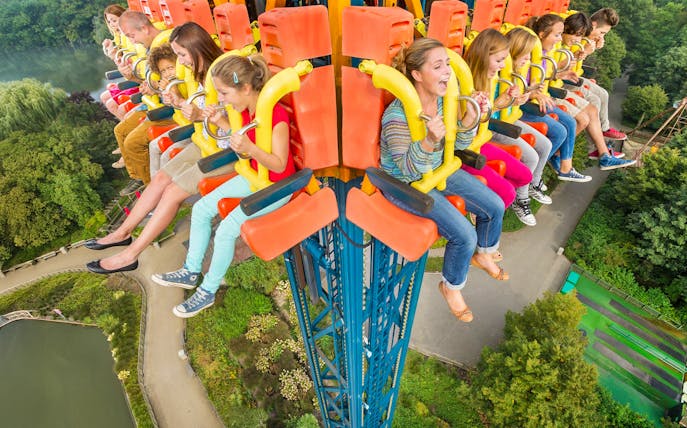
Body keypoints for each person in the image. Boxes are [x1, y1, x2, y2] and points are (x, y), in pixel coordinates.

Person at [152, 54, 296, 317]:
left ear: (246, 88)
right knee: (202, 209)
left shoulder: (276, 116)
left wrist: (250, 148)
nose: (220, 99)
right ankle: (191, 270)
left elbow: (278, 164)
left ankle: (207, 291)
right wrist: (221, 123)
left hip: (276, 186)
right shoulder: (246, 112)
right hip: (254, 175)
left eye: (224, 93)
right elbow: (243, 141)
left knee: (228, 229)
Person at [381, 37, 508, 323]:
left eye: (448, 65)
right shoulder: (397, 117)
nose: (448, 72)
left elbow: (458, 143)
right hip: (406, 184)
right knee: (464, 235)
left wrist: (468, 119)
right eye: (438, 66)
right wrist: (427, 142)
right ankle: (451, 286)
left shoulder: (441, 103)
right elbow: (408, 170)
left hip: (437, 170)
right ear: (416, 75)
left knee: (495, 206)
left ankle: (485, 254)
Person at [85, 22, 226, 274]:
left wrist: (196, 113)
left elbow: (231, 125)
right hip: (205, 140)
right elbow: (204, 114)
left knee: (172, 192)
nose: (181, 62)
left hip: (223, 149)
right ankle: (122, 232)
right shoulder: (197, 75)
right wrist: (184, 105)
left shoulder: (221, 72)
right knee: (160, 177)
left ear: (196, 48)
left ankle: (130, 254)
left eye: (182, 55)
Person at [466, 29, 554, 226]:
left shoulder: (492, 77)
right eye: (499, 60)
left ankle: (491, 201)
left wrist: (503, 102)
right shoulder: (467, 83)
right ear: (483, 56)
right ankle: (491, 209)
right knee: (510, 185)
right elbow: (466, 127)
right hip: (472, 144)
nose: (503, 65)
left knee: (525, 174)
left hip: (481, 136)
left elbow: (487, 114)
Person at [528, 14, 635, 171]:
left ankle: (601, 147)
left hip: (559, 82)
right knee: (588, 111)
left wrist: (583, 54)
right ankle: (592, 152)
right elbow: (550, 72)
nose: (601, 37)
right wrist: (580, 55)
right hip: (554, 88)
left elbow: (560, 70)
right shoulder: (557, 44)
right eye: (602, 33)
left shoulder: (565, 42)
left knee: (599, 98)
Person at [507, 26, 588, 183]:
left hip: (531, 99)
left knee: (572, 122)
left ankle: (545, 172)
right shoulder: (533, 55)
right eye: (557, 34)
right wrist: (532, 93)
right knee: (561, 129)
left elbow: (542, 78)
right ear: (542, 34)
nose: (559, 39)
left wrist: (560, 74)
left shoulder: (543, 54)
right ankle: (539, 176)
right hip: (524, 105)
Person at [112, 11, 176, 195]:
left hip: (168, 108)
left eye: (133, 36)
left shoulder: (164, 45)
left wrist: (154, 88)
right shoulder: (149, 48)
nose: (133, 42)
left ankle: (151, 190)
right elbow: (153, 82)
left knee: (133, 142)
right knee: (120, 130)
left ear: (144, 28)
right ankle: (138, 177)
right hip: (156, 102)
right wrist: (132, 77)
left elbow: (173, 83)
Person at [561, 10, 627, 160]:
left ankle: (603, 131)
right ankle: (600, 145)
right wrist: (587, 51)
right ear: (594, 25)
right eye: (602, 32)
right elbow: (567, 66)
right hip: (565, 80)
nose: (601, 37)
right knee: (595, 100)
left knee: (603, 94)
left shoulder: (585, 38)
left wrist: (592, 48)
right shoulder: (576, 36)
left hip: (573, 77)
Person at [100, 4, 128, 121]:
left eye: (114, 20)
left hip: (134, 78)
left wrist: (114, 54)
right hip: (128, 75)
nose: (112, 24)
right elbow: (120, 61)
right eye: (109, 22)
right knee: (104, 97)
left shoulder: (128, 36)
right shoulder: (118, 37)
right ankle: (125, 123)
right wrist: (110, 51)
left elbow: (123, 63)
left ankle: (126, 124)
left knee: (111, 102)